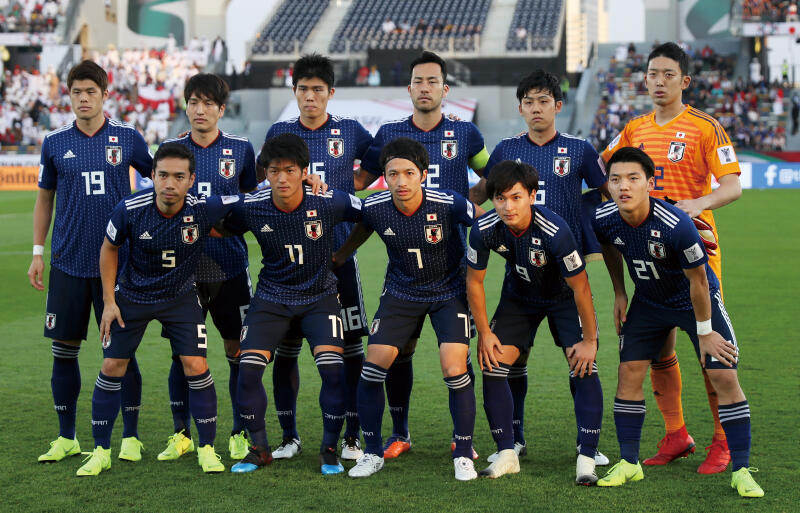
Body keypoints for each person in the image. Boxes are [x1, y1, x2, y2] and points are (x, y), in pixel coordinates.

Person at [601, 42, 743, 474]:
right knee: (660, 349)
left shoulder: (705, 127)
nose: (659, 82)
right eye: (652, 74)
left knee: (710, 351)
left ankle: (724, 441)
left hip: (695, 255)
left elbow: (733, 185)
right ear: (644, 79)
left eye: (668, 74)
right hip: (647, 258)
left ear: (684, 81)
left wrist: (698, 203)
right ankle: (676, 433)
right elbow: (603, 168)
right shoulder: (634, 129)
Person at [592, 147, 762, 498]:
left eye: (633, 179)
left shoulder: (675, 224)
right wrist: (620, 293)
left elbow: (699, 281)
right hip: (649, 301)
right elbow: (609, 247)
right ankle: (629, 463)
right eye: (616, 179)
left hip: (693, 299)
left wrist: (704, 333)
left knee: (723, 373)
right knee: (629, 373)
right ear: (607, 185)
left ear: (650, 183)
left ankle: (742, 469)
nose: (624, 186)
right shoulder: (604, 217)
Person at [355, 50, 489, 461]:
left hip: (452, 265)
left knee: (455, 358)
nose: (426, 88)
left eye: (433, 81)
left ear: (444, 89)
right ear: (409, 88)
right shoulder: (389, 133)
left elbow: (493, 174)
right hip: (405, 266)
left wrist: (466, 203)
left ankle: (461, 439)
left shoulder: (466, 133)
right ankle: (400, 432)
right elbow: (360, 179)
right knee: (399, 352)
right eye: (419, 81)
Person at [472, 69, 609, 466]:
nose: (536, 109)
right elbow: (483, 195)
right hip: (520, 278)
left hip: (566, 277)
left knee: (581, 359)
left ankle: (589, 446)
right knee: (510, 360)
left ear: (558, 106)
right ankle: (513, 440)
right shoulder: (504, 151)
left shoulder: (579, 150)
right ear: (520, 108)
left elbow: (605, 195)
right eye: (529, 102)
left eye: (543, 101)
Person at [78, 143, 237, 476]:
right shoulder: (130, 208)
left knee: (195, 363)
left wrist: (306, 184)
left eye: (178, 177)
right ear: (151, 175)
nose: (169, 183)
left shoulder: (204, 209)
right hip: (133, 295)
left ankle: (206, 449)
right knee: (111, 364)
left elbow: (253, 198)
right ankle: (100, 451)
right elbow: (108, 249)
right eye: (163, 175)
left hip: (180, 296)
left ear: (191, 180)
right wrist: (109, 302)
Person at [29, 60, 151, 465]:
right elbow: (44, 198)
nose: (83, 98)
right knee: (63, 351)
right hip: (67, 262)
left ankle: (130, 437)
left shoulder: (128, 138)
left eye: (91, 92)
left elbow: (162, 181)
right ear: (69, 95)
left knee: (121, 353)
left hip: (117, 266)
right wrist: (37, 252)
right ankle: (67, 437)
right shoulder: (54, 141)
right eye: (77, 92)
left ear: (105, 94)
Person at [337, 137, 478, 480]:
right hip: (401, 292)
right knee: (374, 367)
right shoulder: (375, 207)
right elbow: (356, 234)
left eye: (408, 173)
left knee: (453, 366)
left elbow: (486, 225)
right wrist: (335, 258)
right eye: (393, 174)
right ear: (384, 177)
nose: (401, 181)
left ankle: (463, 451)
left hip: (448, 291)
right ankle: (372, 452)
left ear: (423, 175)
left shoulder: (450, 204)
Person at [225, 133, 363, 476]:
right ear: (266, 173)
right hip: (271, 298)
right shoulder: (252, 205)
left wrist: (343, 255)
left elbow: (372, 214)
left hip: (320, 298)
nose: (282, 178)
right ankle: (260, 448)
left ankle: (329, 449)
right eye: (274, 171)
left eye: (290, 170)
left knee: (333, 370)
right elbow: (215, 222)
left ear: (305, 171)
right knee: (247, 370)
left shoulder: (328, 201)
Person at [264, 53, 374, 462]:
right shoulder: (280, 131)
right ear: (294, 92)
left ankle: (351, 436)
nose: (310, 97)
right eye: (303, 89)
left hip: (338, 257)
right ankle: (290, 435)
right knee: (288, 348)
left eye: (317, 90)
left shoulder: (349, 130)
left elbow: (377, 158)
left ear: (330, 93)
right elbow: (268, 179)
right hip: (291, 260)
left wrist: (352, 184)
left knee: (349, 347)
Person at [466, 160, 602, 484]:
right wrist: (484, 333)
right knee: (493, 363)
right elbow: (473, 282)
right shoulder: (484, 228)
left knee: (582, 365)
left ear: (531, 195)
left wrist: (591, 341)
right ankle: (507, 452)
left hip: (562, 300)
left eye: (515, 197)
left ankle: (587, 456)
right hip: (519, 298)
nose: (507, 206)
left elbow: (581, 287)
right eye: (500, 198)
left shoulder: (556, 230)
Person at [155, 73, 257, 463]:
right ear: (185, 105)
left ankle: (239, 432)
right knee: (183, 353)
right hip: (183, 270)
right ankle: (180, 433)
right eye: (193, 102)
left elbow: (251, 205)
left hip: (230, 267)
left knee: (238, 350)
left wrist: (222, 224)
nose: (200, 110)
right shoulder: (171, 150)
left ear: (221, 108)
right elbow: (158, 204)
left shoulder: (241, 149)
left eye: (208, 104)